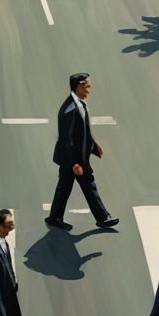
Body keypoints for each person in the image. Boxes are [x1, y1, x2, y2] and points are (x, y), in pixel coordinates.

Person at [45, 73, 119, 231]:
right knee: (84, 185)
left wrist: (93, 145)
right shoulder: (69, 110)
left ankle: (56, 217)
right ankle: (102, 218)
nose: (89, 88)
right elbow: (66, 140)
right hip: (72, 159)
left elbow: (82, 132)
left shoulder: (79, 104)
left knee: (68, 187)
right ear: (77, 86)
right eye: (86, 85)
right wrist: (74, 164)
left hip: (77, 158)